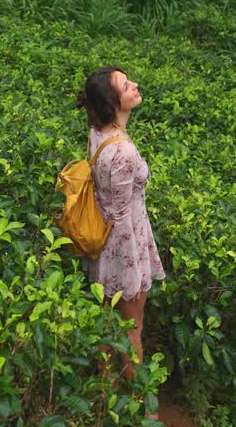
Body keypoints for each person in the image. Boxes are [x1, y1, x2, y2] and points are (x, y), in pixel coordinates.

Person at [76, 66, 165, 378]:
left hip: (105, 244)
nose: (135, 85)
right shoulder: (123, 150)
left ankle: (105, 391)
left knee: (109, 323)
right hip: (126, 246)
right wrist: (134, 268)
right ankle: (141, 407)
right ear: (113, 103)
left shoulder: (97, 133)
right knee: (132, 329)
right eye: (127, 85)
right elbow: (124, 213)